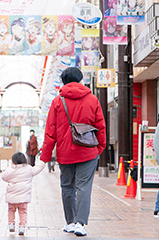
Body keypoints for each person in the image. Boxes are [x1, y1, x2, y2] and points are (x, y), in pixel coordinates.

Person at [40, 67, 106, 236]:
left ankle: (70, 222)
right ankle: (80, 224)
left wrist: (45, 157)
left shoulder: (57, 101)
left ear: (63, 81)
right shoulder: (92, 100)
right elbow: (101, 126)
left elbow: (50, 132)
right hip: (88, 152)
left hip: (65, 153)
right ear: (80, 79)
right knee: (83, 187)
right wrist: (100, 148)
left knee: (67, 187)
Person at [1, 152, 46, 235]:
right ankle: (22, 227)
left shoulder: (11, 169)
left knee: (11, 210)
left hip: (12, 198)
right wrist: (43, 162)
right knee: (23, 212)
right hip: (23, 198)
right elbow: (37, 168)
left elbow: (3, 177)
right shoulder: (28, 169)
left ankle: (11, 224)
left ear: (13, 161)